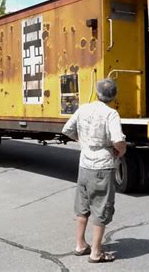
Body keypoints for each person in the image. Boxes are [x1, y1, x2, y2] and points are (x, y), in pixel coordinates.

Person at [62, 78, 126, 263]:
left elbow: (67, 129)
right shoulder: (111, 114)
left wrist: (81, 141)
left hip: (84, 165)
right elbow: (117, 140)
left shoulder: (83, 108)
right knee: (101, 208)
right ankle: (96, 252)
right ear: (114, 95)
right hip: (102, 167)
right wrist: (121, 151)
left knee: (82, 207)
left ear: (97, 93)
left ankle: (80, 244)